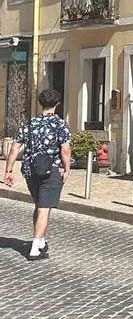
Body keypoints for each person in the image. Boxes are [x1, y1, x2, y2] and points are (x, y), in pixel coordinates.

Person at [4, 89, 72, 260]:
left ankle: (40, 240)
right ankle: (35, 248)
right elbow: (65, 149)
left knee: (39, 204)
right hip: (51, 170)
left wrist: (8, 170)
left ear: (41, 103)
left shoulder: (29, 123)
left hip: (30, 170)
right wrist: (67, 168)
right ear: (57, 104)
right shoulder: (60, 124)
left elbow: (14, 147)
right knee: (44, 207)